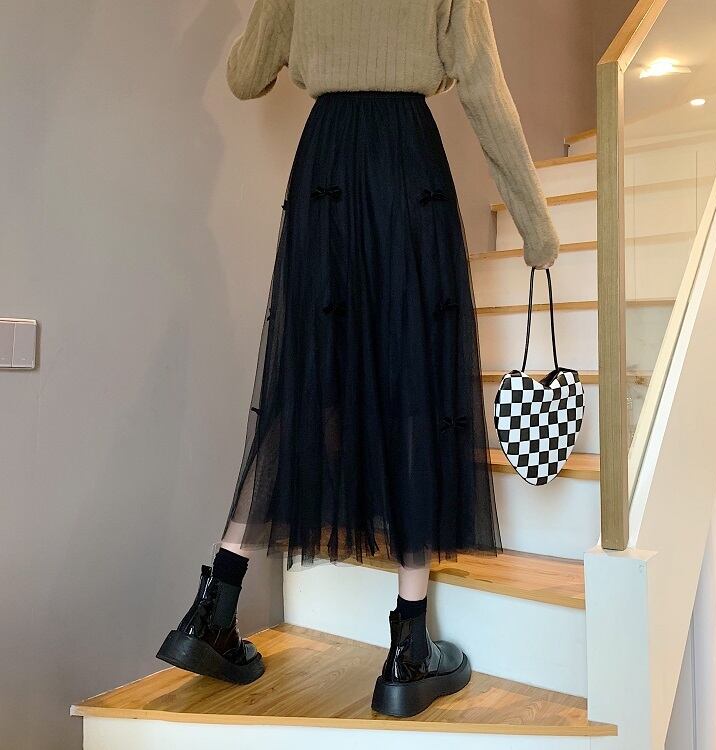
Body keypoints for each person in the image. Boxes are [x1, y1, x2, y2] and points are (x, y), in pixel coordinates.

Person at [157, 0, 558, 718]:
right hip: (407, 167)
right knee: (414, 381)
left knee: (307, 383)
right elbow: (484, 90)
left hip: (326, 170)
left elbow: (246, 77)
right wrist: (535, 226)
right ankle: (409, 646)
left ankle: (214, 608)